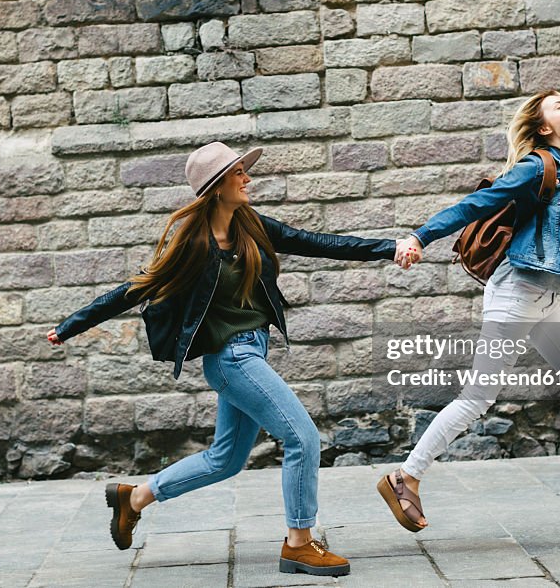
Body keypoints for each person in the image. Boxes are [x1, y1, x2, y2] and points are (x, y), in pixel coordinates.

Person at [48, 141, 397, 577]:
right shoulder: (192, 244)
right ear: (216, 187)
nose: (247, 178)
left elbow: (318, 243)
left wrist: (389, 248)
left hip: (252, 350)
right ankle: (300, 543)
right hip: (230, 359)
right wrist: (70, 325)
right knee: (302, 438)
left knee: (226, 459)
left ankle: (134, 497)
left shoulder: (250, 226)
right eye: (238, 173)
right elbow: (136, 288)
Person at [380, 90, 560, 533]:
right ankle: (405, 476)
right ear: (544, 127)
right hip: (516, 292)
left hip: (545, 297)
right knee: (478, 398)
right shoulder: (537, 166)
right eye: (558, 105)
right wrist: (419, 237)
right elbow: (477, 204)